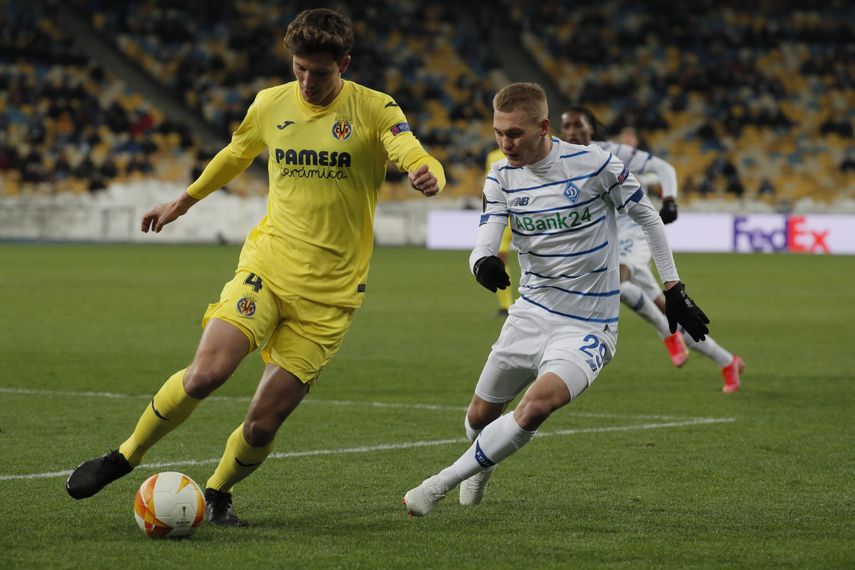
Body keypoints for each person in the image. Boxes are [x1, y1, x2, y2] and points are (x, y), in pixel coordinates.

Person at [66, 8, 445, 526]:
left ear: (345, 65)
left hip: (330, 296)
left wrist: (428, 173)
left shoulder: (375, 108)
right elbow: (236, 152)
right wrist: (183, 201)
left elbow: (412, 149)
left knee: (263, 424)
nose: (308, 81)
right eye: (300, 68)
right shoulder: (270, 103)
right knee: (206, 375)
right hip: (267, 266)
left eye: (321, 72)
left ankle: (218, 493)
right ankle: (124, 455)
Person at [402, 83, 709, 517]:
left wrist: (674, 287)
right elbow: (485, 238)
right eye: (498, 133)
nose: (505, 144)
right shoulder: (501, 176)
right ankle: (481, 465)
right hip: (530, 314)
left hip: (589, 326)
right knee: (477, 419)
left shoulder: (597, 164)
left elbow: (646, 215)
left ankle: (437, 485)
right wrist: (482, 263)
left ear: (543, 127)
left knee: (536, 407)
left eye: (515, 134)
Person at [561, 106, 745, 393]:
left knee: (617, 285)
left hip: (635, 235)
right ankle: (727, 360)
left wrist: (669, 199)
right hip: (606, 237)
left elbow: (662, 169)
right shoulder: (562, 157)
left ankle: (667, 336)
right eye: (566, 127)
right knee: (672, 311)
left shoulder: (613, 154)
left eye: (577, 125)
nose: (571, 132)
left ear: (592, 129)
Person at [484, 147, 514, 317]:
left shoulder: (526, 151)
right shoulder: (492, 156)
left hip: (525, 211)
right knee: (500, 258)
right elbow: (487, 182)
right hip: (502, 214)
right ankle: (506, 305)